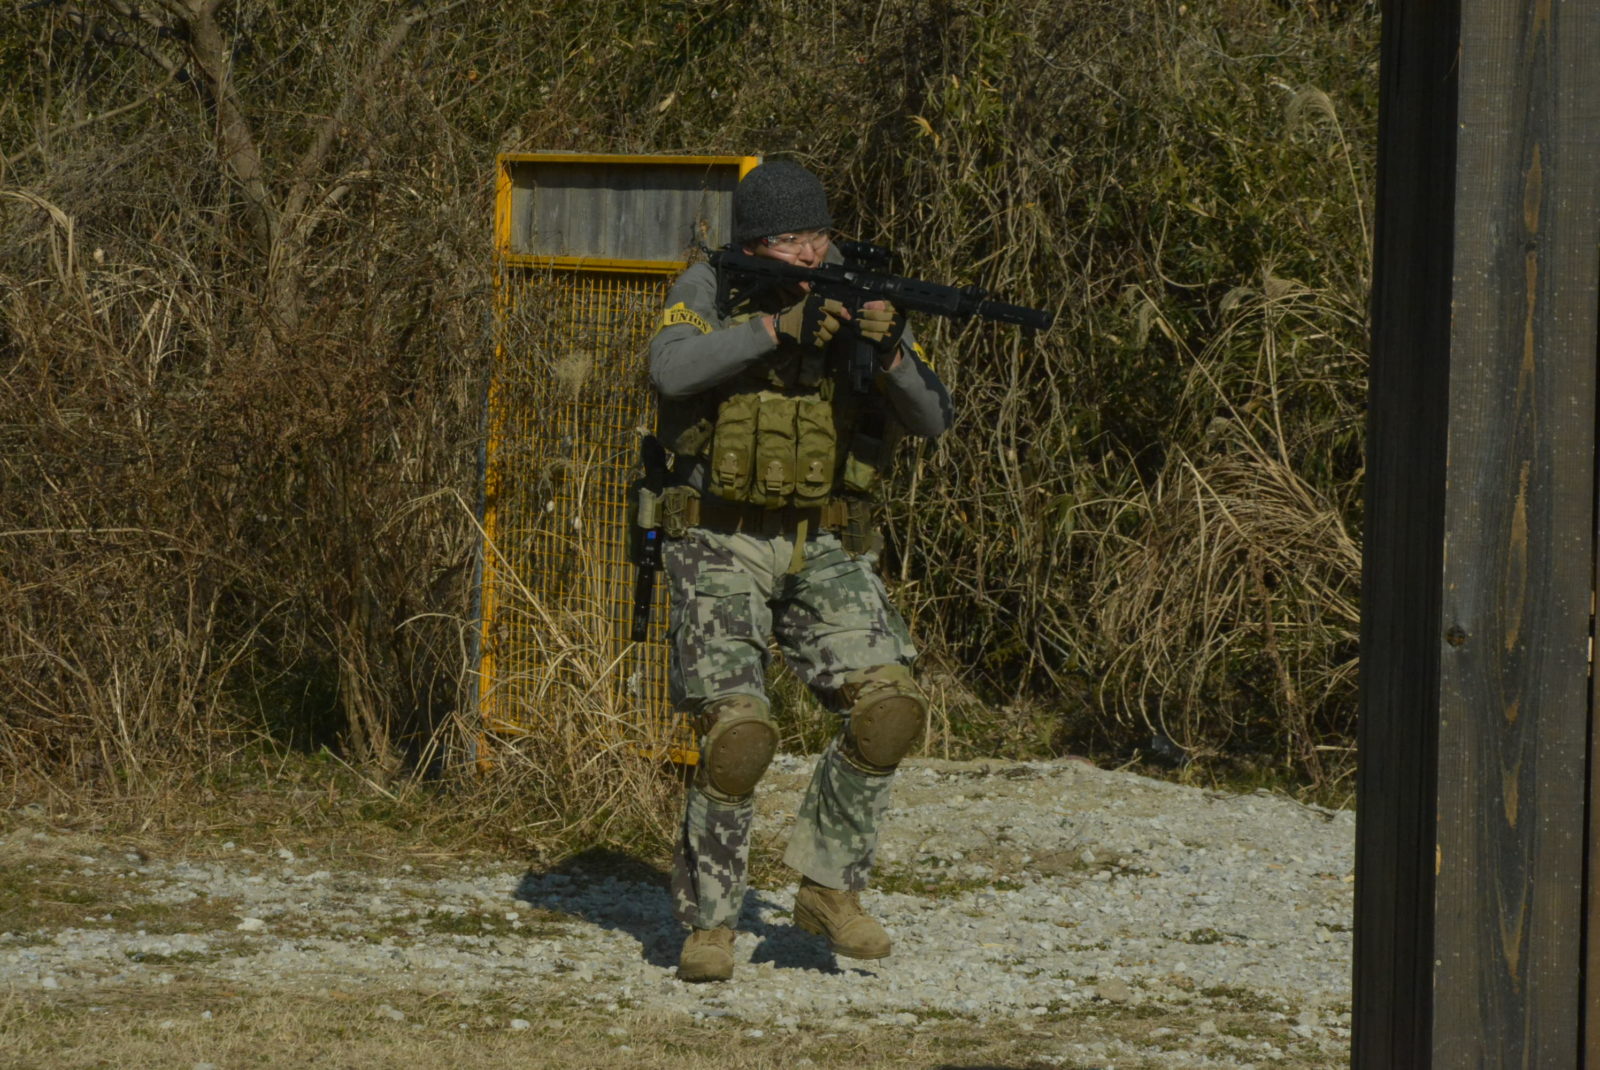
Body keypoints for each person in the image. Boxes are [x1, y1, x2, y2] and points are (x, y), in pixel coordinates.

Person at [647, 159, 952, 983]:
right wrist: (777, 330)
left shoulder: (858, 292)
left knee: (889, 709)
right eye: (790, 240)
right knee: (738, 734)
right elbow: (669, 369)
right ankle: (711, 923)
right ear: (754, 243)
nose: (810, 253)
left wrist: (889, 352)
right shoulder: (711, 286)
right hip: (719, 537)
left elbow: (933, 419)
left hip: (822, 540)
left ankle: (828, 890)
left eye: (817, 235)